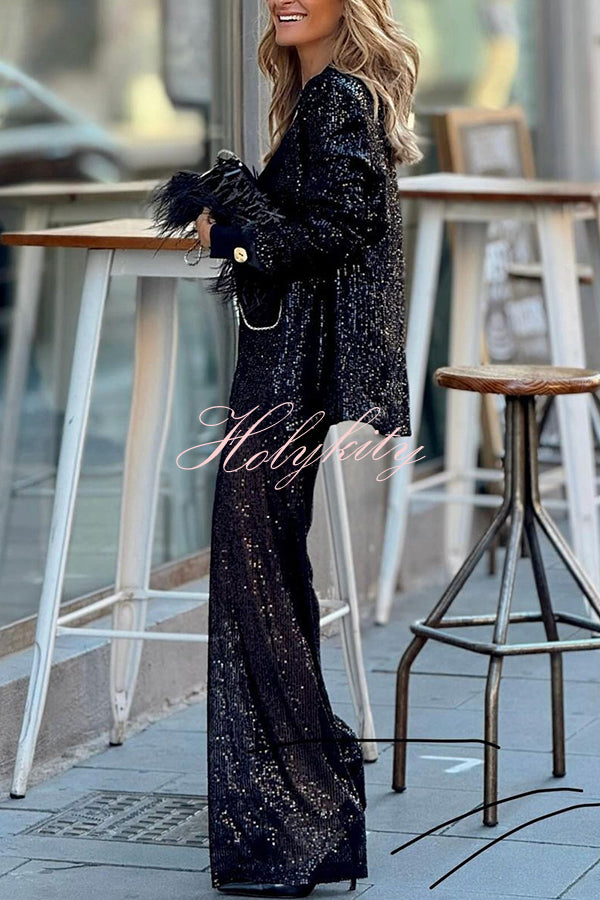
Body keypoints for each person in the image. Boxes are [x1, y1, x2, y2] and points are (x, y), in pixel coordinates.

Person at [195, 1, 421, 896]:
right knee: (268, 580)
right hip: (285, 371)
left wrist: (233, 231)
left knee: (260, 582)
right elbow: (327, 224)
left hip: (286, 379)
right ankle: (297, 823)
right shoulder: (324, 95)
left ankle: (299, 821)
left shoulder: (337, 99)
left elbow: (335, 229)